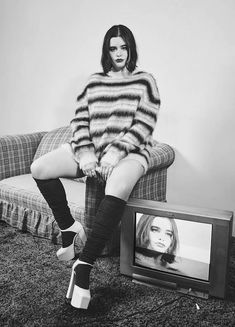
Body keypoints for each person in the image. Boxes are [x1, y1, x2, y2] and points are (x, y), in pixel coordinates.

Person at [31, 24, 161, 309]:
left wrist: (113, 156)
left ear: (131, 49)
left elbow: (143, 124)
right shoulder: (93, 81)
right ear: (106, 51)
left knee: (118, 184)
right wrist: (87, 155)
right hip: (91, 149)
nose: (118, 53)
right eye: (113, 48)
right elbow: (79, 121)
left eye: (123, 47)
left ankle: (84, 265)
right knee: (40, 168)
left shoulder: (145, 80)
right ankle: (68, 227)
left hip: (131, 151)